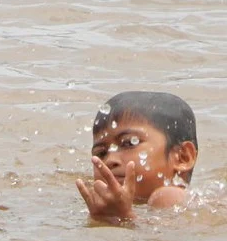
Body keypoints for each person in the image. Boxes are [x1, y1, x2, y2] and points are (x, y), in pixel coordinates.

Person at [78, 91, 199, 222]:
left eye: (129, 143)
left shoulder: (167, 196)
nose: (110, 160)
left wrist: (120, 218)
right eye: (101, 153)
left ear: (182, 157)